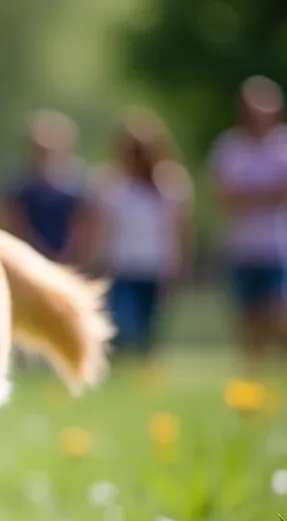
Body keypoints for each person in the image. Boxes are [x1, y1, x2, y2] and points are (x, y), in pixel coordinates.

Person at [209, 76, 287, 361]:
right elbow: (227, 198)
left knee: (285, 314)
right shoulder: (229, 147)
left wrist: (251, 194)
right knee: (249, 318)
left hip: (284, 246)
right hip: (243, 247)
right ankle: (255, 375)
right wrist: (273, 191)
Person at [88, 108, 194, 357]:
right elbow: (100, 226)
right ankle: (122, 364)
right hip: (121, 266)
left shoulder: (171, 182)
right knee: (123, 324)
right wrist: (94, 260)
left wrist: (182, 264)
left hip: (156, 267)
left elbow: (181, 230)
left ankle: (144, 370)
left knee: (149, 327)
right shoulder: (110, 183)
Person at [1, 110, 87, 264]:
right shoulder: (19, 180)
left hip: (67, 258)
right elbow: (14, 221)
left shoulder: (78, 181)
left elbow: (83, 223)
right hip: (26, 256)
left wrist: (72, 254)